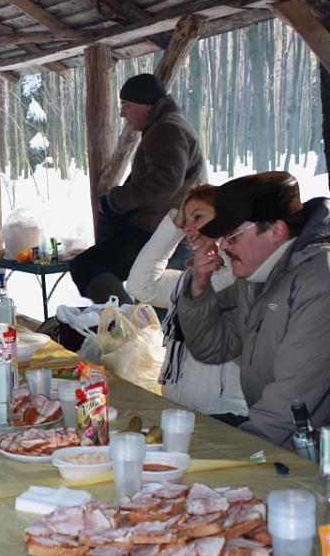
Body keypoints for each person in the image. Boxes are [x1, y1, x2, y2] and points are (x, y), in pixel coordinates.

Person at [176, 171, 330, 447]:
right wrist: (199, 288)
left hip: (312, 450)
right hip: (277, 429)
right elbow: (214, 348)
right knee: (176, 431)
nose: (223, 246)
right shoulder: (257, 278)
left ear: (275, 231)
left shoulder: (319, 284)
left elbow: (294, 404)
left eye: (232, 235)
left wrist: (241, 456)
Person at [71, 73, 205, 304]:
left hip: (158, 231)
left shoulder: (167, 129)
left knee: (87, 265)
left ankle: (129, 322)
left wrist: (116, 200)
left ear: (146, 104)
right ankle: (137, 325)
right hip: (169, 229)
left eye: (126, 105)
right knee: (157, 304)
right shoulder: (168, 125)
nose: (123, 113)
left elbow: (165, 179)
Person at [126, 185, 247, 422]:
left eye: (199, 217)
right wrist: (174, 226)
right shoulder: (186, 282)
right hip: (181, 405)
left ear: (224, 218)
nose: (190, 226)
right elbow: (140, 285)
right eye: (187, 220)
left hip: (226, 413)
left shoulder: (239, 276)